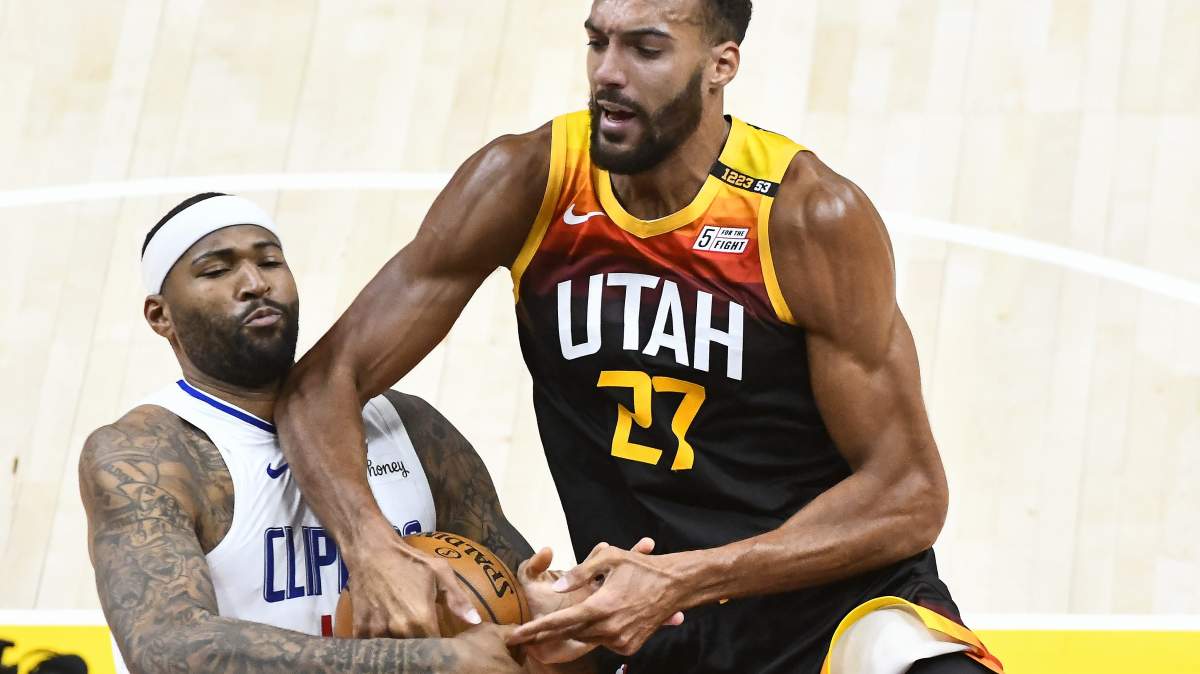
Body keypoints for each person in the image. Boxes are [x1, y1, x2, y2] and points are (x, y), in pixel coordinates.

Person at [275, 1, 1006, 672]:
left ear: (721, 64)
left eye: (646, 49)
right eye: (598, 43)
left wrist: (685, 576)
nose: (608, 74)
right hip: (656, 630)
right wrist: (371, 546)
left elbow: (909, 495)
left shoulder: (805, 215)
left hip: (839, 610)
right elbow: (322, 382)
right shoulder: (531, 181)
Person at [78, 193, 593, 673]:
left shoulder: (411, 425)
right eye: (217, 270)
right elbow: (167, 648)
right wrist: (419, 663)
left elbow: (505, 591)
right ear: (160, 315)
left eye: (270, 262)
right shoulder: (145, 454)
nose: (255, 282)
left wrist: (542, 610)